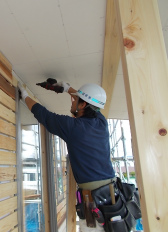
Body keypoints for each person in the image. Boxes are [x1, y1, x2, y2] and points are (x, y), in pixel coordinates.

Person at [18, 81, 115, 232]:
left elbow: (45, 116)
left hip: (95, 201)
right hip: (111, 194)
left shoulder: (74, 128)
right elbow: (92, 102)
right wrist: (67, 89)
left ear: (82, 106)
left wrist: (24, 95)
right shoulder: (101, 122)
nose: (72, 100)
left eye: (75, 100)